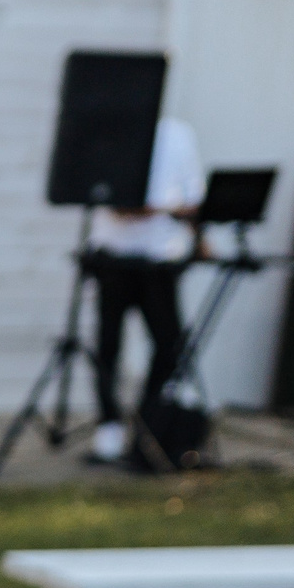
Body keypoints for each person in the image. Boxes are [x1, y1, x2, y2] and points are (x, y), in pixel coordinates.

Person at [87, 116, 204, 464]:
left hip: (160, 261)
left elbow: (192, 199)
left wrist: (198, 236)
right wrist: (165, 208)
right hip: (114, 259)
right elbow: (120, 205)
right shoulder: (111, 131)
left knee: (169, 346)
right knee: (108, 344)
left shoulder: (179, 134)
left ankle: (150, 421)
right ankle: (109, 425)